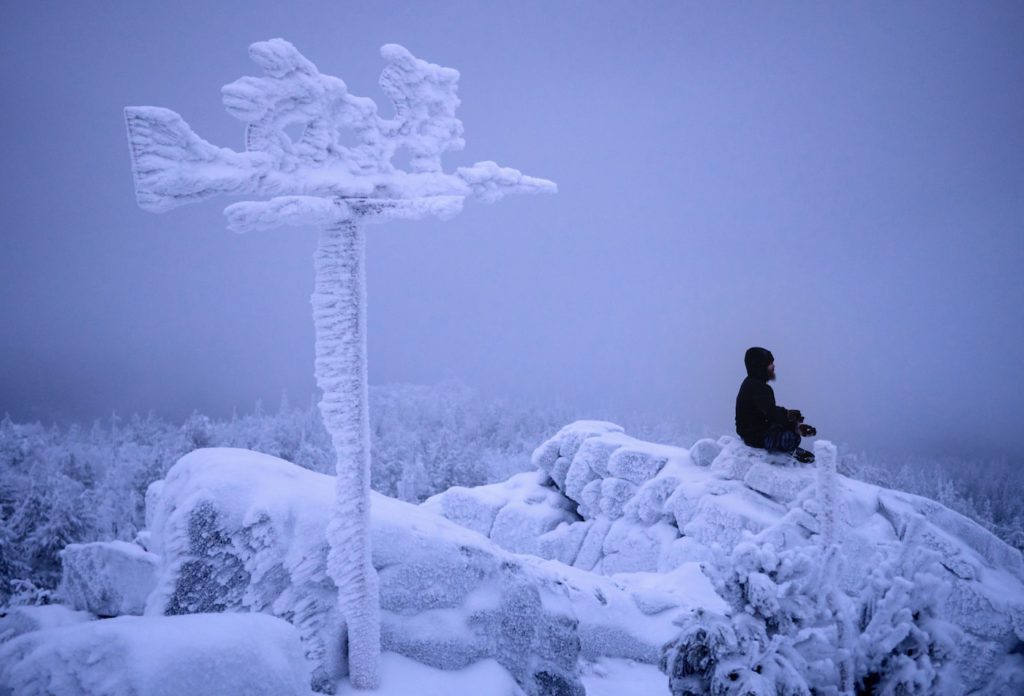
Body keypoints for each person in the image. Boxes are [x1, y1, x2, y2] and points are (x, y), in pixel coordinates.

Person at [735, 346, 816, 462]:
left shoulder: (750, 382)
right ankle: (788, 449)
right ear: (761, 366)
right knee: (792, 438)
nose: (774, 366)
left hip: (749, 430)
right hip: (754, 436)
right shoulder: (759, 388)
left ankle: (786, 441)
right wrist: (795, 428)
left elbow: (767, 410)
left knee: (784, 427)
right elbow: (772, 414)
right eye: (770, 363)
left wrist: (788, 415)